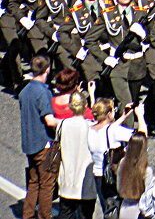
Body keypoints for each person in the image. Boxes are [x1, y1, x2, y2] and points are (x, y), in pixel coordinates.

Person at [88, 98, 146, 217]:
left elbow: (106, 129)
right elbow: (141, 137)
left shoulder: (90, 129)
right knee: (117, 208)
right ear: (109, 113)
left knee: (108, 208)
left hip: (99, 174)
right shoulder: (114, 131)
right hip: (114, 175)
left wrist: (123, 116)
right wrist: (140, 116)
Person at [20, 55, 59, 219]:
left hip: (29, 143)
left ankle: (28, 215)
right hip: (44, 144)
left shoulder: (25, 91)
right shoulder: (43, 92)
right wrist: (65, 122)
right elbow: (49, 121)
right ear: (47, 70)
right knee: (47, 184)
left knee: (34, 182)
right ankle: (45, 216)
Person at [56, 91, 95, 219]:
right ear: (85, 106)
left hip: (67, 181)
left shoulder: (62, 125)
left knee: (65, 214)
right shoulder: (91, 127)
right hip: (86, 184)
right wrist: (92, 95)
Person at [116, 132, 155, 219]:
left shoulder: (122, 164)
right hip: (139, 210)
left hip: (124, 208)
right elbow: (148, 196)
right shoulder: (147, 170)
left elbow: (118, 187)